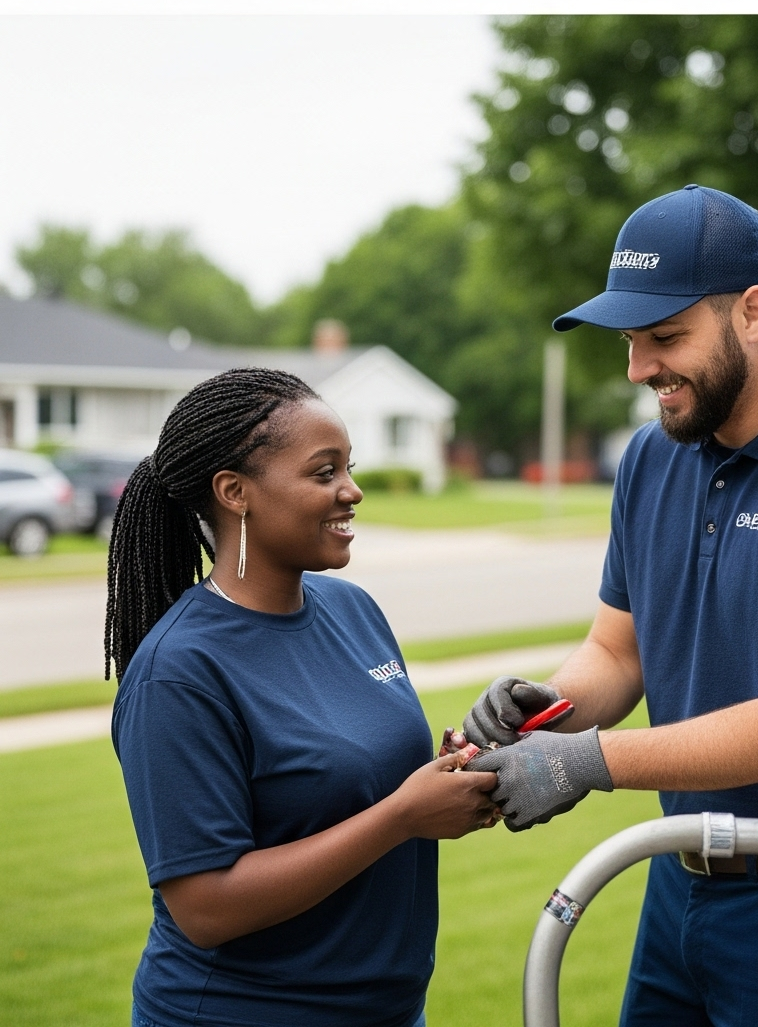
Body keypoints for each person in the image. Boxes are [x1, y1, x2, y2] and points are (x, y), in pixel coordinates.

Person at [463, 185, 758, 1026]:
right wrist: (547, 712)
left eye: (664, 338)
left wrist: (586, 762)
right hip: (673, 886)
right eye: (629, 340)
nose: (638, 369)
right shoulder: (653, 457)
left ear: (753, 311)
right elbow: (617, 653)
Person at [106, 368, 497, 1027]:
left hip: (387, 1011)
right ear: (235, 492)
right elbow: (206, 906)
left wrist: (452, 770)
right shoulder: (179, 670)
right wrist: (402, 815)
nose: (353, 491)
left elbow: (354, 777)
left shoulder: (353, 609)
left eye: (348, 467)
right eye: (324, 472)